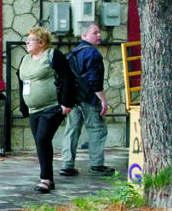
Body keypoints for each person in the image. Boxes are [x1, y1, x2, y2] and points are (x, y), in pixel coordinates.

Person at [19, 27, 75, 193]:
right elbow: (21, 81)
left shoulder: (52, 55)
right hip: (33, 109)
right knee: (40, 142)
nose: (27, 42)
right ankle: (48, 178)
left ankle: (45, 179)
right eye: (27, 39)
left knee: (43, 138)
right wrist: (24, 106)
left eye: (31, 39)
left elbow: (67, 77)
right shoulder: (25, 59)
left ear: (42, 43)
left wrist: (66, 103)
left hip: (51, 107)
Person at [61, 22, 113, 177]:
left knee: (72, 129)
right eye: (95, 33)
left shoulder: (74, 53)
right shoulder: (93, 54)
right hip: (89, 98)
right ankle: (97, 164)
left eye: (99, 33)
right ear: (84, 35)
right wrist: (103, 100)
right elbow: (95, 81)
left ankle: (67, 164)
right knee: (97, 129)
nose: (99, 36)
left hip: (73, 98)